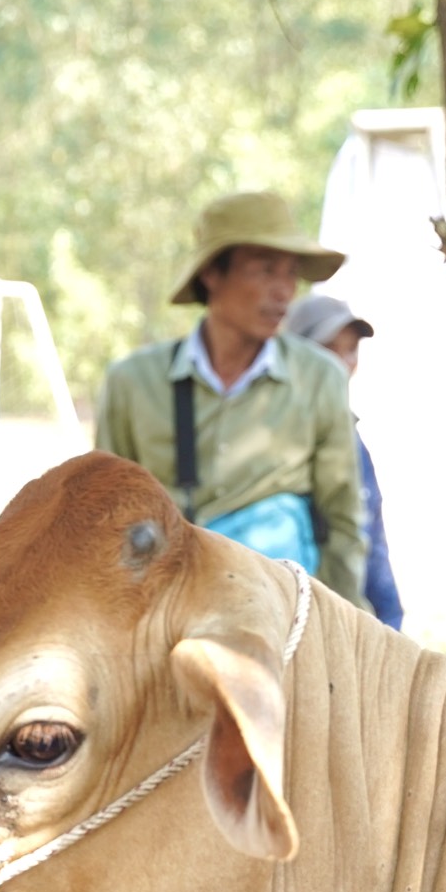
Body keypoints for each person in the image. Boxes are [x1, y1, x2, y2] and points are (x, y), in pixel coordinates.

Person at [95, 191, 366, 604]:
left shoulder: (318, 379)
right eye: (264, 271)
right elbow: (107, 515)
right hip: (162, 611)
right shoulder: (134, 384)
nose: (284, 291)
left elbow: (343, 520)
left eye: (291, 274)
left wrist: (339, 630)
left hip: (281, 613)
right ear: (211, 274)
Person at [284, 292, 404, 630]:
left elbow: (371, 540)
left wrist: (391, 622)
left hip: (355, 620)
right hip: (301, 617)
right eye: (328, 350)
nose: (342, 363)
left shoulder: (352, 439)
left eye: (350, 350)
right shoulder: (277, 437)